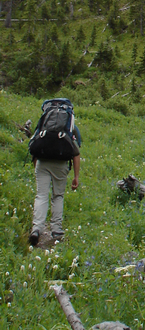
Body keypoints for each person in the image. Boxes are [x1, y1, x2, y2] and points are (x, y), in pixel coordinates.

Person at [28, 101, 81, 246]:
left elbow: (35, 147)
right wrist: (76, 177)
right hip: (60, 164)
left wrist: (36, 168)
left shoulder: (43, 123)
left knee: (41, 195)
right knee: (58, 196)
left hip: (42, 162)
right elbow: (76, 153)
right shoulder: (71, 127)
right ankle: (56, 230)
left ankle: (36, 228)